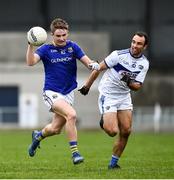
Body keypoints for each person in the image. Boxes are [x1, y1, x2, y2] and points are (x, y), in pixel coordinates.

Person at [26, 18, 100, 165]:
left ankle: (38, 136)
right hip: (51, 92)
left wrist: (94, 65)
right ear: (52, 35)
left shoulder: (73, 47)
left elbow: (88, 62)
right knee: (71, 115)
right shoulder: (46, 49)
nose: (61, 38)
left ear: (67, 33)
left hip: (68, 93)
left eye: (64, 35)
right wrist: (30, 45)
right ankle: (75, 153)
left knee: (55, 129)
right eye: (58, 36)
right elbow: (30, 62)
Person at [79, 31, 149, 169]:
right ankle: (104, 120)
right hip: (109, 95)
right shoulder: (118, 55)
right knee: (112, 131)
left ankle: (113, 164)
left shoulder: (144, 64)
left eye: (139, 43)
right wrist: (87, 86)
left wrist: (128, 81)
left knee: (126, 131)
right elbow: (98, 68)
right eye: (133, 42)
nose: (135, 45)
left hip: (124, 96)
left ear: (145, 46)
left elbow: (137, 87)